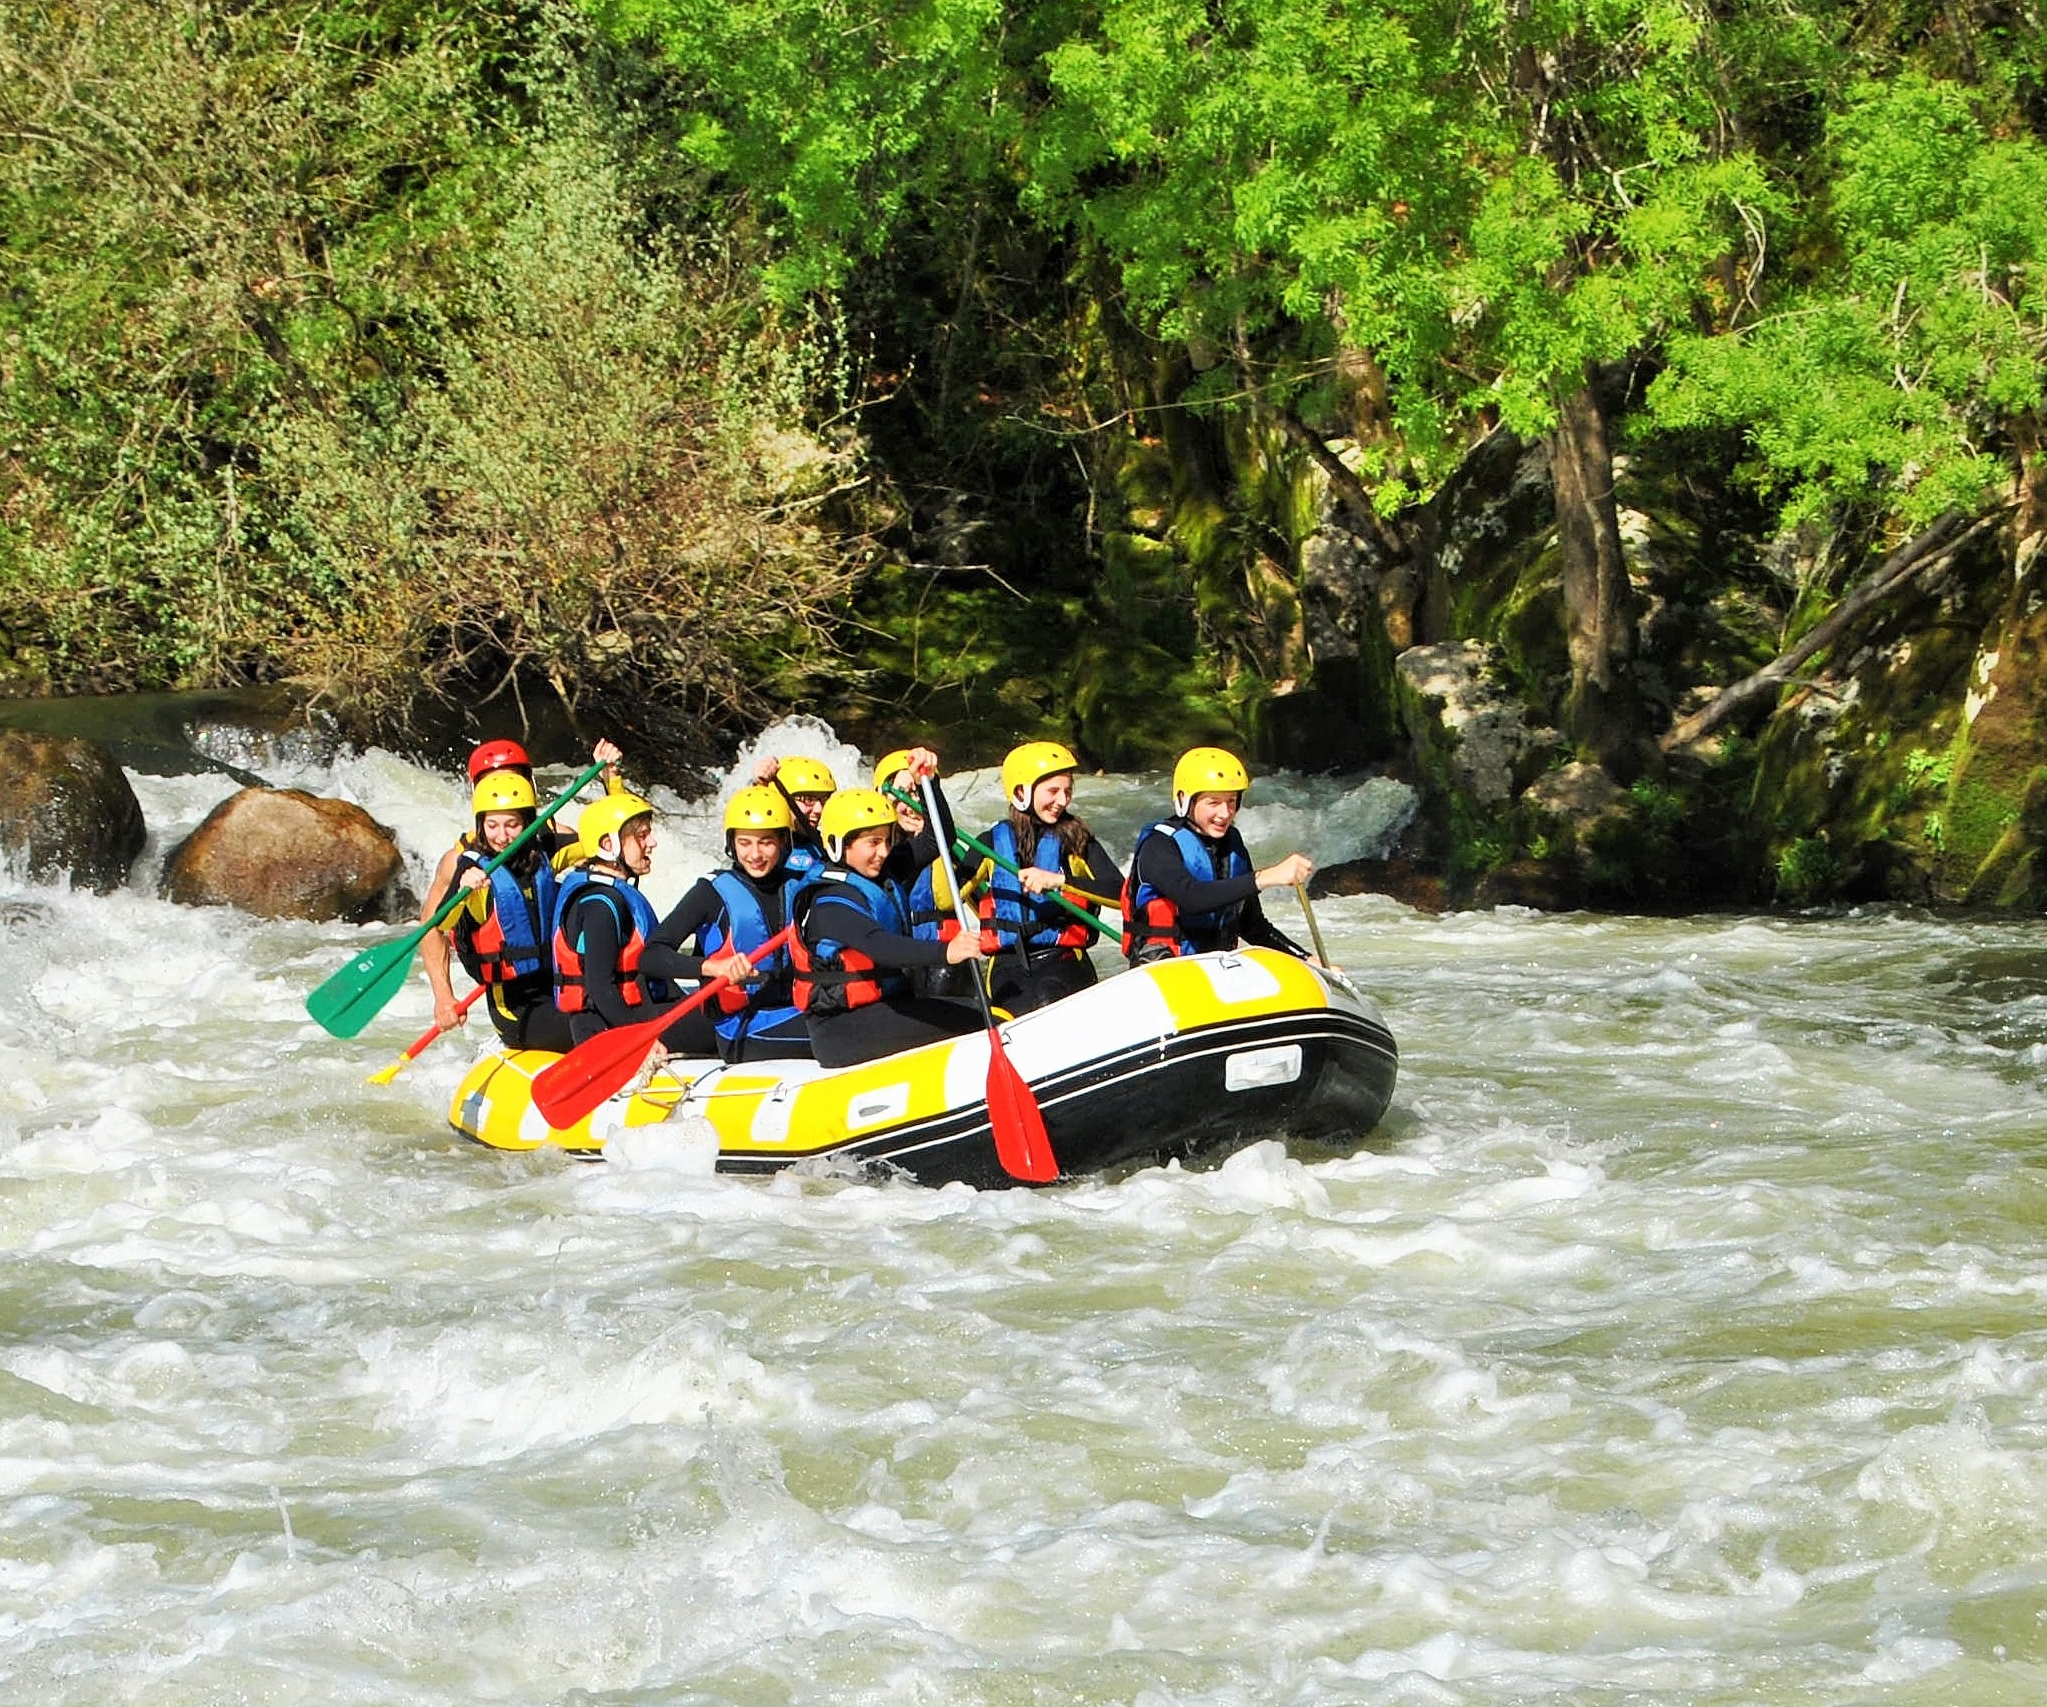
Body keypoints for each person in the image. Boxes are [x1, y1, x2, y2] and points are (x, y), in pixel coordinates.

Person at [420, 737, 621, 1036]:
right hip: (514, 1002)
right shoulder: (462, 862)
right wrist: (443, 997)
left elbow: (614, 842)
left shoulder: (549, 842)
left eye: (513, 779)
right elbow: (432, 926)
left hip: (560, 980)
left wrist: (612, 779)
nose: (502, 834)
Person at [791, 768, 989, 1068]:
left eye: (887, 840)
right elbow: (881, 946)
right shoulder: (828, 900)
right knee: (976, 1018)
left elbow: (940, 837)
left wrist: (929, 782)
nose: (883, 852)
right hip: (842, 1030)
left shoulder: (884, 872)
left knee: (983, 1011)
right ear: (839, 843)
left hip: (885, 1008)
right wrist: (946, 951)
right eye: (872, 842)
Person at [639, 786, 812, 1063]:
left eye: (766, 841)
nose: (755, 854)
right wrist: (715, 967)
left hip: (791, 1009)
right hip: (740, 1026)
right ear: (732, 843)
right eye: (745, 843)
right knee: (840, 1031)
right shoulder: (711, 892)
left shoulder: (801, 885)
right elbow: (651, 956)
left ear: (783, 842)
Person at [551, 793, 718, 1057]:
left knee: (722, 1006)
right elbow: (599, 987)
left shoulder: (608, 892)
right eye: (641, 836)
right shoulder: (599, 907)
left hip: (640, 1009)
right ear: (608, 845)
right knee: (730, 1027)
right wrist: (641, 1040)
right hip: (608, 1025)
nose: (651, 843)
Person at [1121, 747, 1318, 966]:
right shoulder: (1159, 845)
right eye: (1213, 802)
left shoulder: (1231, 844)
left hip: (1216, 969)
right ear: (1185, 800)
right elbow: (1191, 897)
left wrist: (1306, 959)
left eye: (1231, 801)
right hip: (1163, 970)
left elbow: (1252, 926)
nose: (1225, 813)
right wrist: (1265, 877)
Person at [975, 740, 1125, 1014]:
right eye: (1053, 791)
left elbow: (1121, 893)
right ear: (1021, 791)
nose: (1063, 801)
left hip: (1064, 958)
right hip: (1007, 963)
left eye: (1067, 791)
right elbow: (946, 894)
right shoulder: (990, 843)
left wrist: (1061, 882)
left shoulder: (1077, 840)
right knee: (1012, 1012)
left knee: (1048, 998)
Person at [442, 772, 575, 1051]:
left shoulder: (542, 855)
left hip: (560, 987)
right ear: (481, 825)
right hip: (515, 1010)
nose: (502, 836)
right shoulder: (472, 869)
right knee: (589, 1025)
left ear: (527, 822)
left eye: (512, 825)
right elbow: (442, 921)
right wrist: (462, 892)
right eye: (492, 825)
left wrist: (612, 778)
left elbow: (607, 845)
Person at [873, 747, 977, 999]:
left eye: (917, 793)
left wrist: (928, 782)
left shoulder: (952, 851)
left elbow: (988, 909)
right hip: (905, 967)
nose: (911, 804)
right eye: (903, 795)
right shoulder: (885, 859)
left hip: (949, 966)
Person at [751, 754, 835, 877]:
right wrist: (759, 785)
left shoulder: (830, 847)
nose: (819, 809)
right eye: (808, 799)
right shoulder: (759, 850)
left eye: (824, 799)